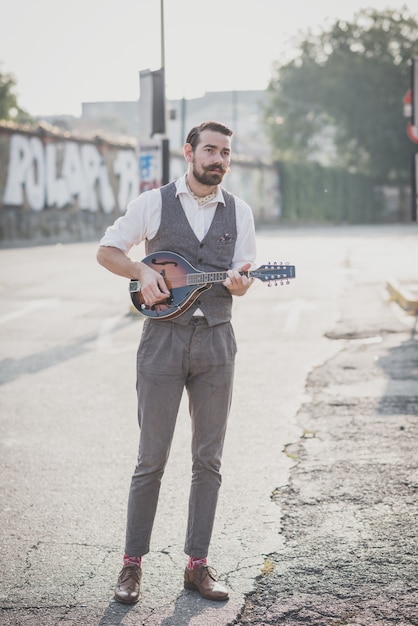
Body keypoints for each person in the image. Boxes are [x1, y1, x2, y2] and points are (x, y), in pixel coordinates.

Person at [97, 120, 256, 604]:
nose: (219, 160)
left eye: (225, 153)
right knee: (151, 459)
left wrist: (241, 284)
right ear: (189, 153)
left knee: (208, 460)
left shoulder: (240, 212)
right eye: (210, 150)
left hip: (217, 342)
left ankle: (197, 565)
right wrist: (140, 268)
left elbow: (243, 273)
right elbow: (107, 251)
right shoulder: (153, 203)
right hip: (162, 342)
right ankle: (131, 566)